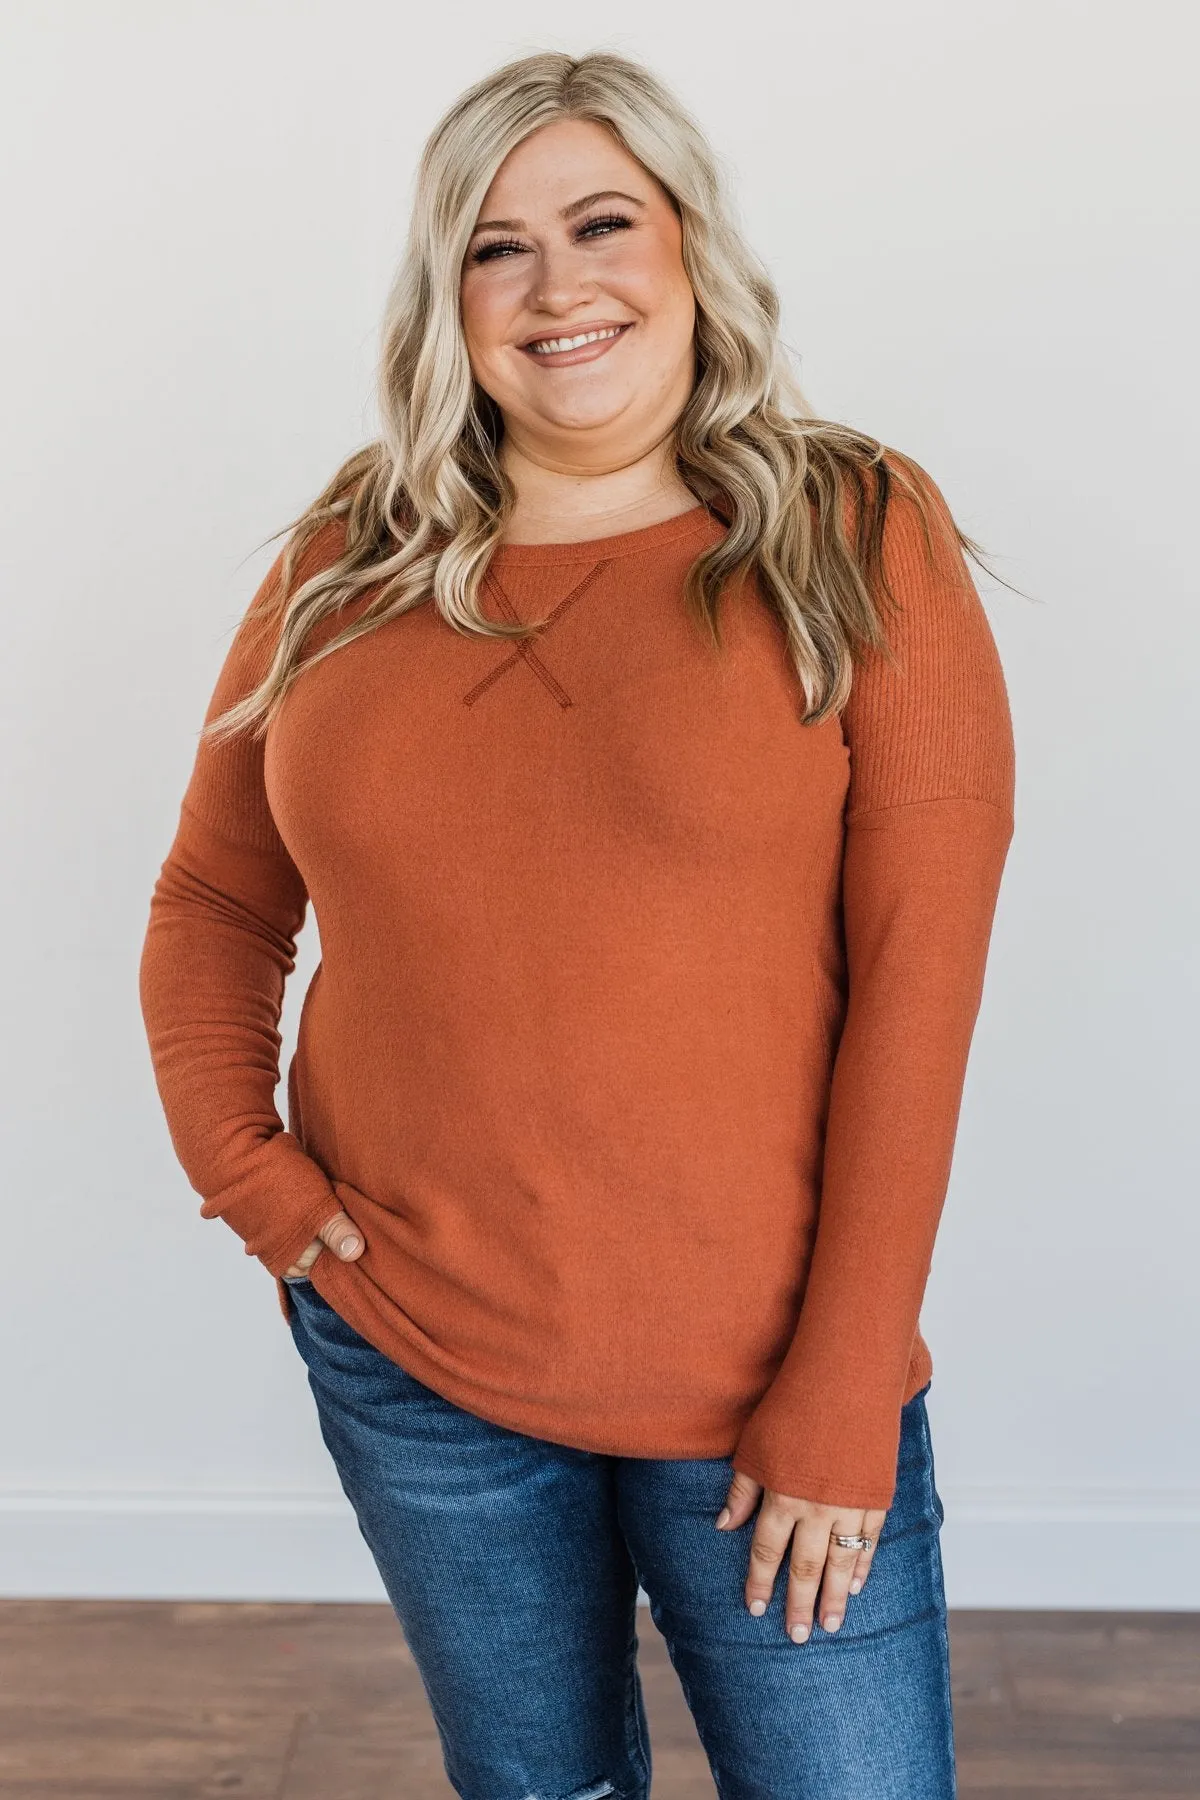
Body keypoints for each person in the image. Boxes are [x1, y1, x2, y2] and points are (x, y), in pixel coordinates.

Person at [139, 47, 1015, 1800]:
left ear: (688, 243)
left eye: (600, 223)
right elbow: (219, 896)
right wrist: (259, 1189)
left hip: (767, 1384)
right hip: (415, 1353)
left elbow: (923, 983)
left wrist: (845, 1382)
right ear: (444, 294)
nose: (557, 287)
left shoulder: (855, 530)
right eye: (493, 244)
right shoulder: (345, 555)